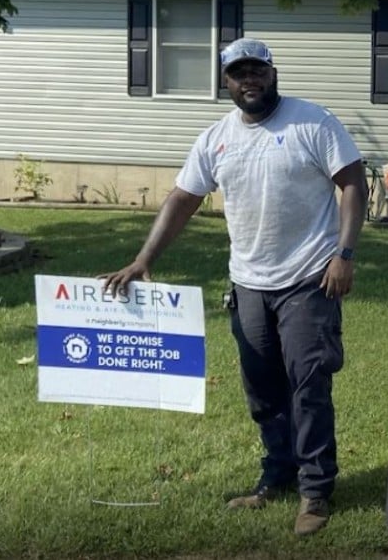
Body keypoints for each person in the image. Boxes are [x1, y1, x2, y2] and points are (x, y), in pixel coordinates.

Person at [99, 37, 368, 536]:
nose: (250, 80)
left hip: (309, 278)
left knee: (308, 384)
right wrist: (142, 260)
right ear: (226, 81)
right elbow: (182, 199)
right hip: (248, 283)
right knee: (263, 390)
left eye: (258, 71)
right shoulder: (215, 139)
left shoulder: (312, 122)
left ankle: (315, 491)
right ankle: (278, 473)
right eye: (239, 73)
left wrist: (344, 254)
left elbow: (354, 183)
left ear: (273, 73)